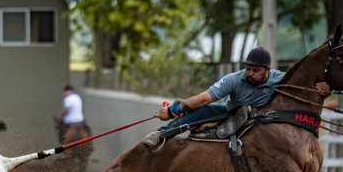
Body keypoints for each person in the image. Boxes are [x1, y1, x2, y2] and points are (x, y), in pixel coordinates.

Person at [141, 47, 331, 150]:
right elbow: (203, 98)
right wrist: (173, 111)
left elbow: (307, 88)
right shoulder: (234, 79)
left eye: (255, 70)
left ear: (268, 70)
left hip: (265, 118)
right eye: (248, 68)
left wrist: (322, 90)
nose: (250, 73)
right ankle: (161, 134)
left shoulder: (281, 79)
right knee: (204, 111)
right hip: (231, 110)